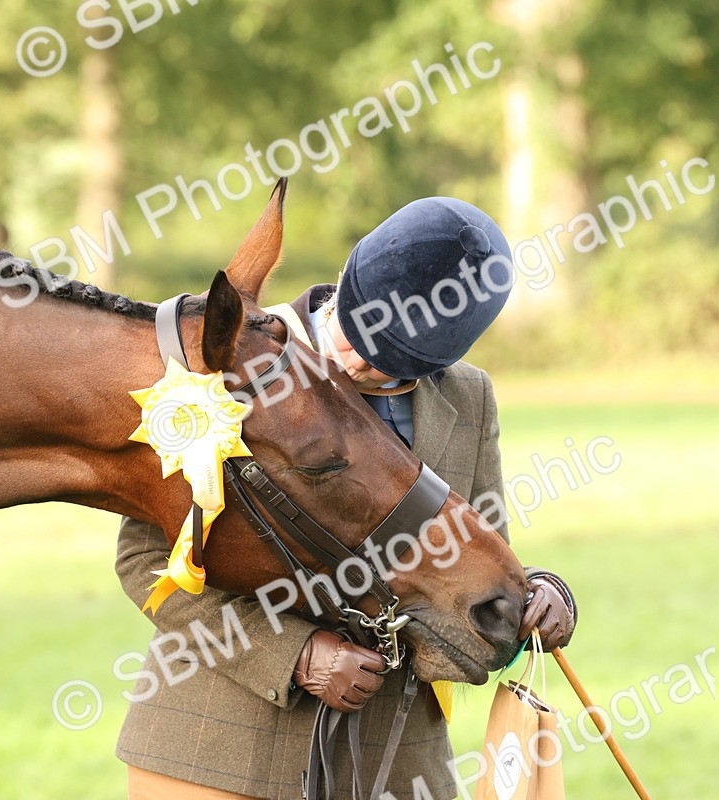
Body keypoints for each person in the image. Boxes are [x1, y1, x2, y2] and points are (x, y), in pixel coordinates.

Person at [115, 197, 577, 800]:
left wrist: (539, 595)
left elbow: (478, 547)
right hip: (220, 751)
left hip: (402, 759)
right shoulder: (223, 366)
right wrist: (294, 655)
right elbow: (146, 561)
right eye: (357, 336)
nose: (361, 364)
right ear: (346, 285)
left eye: (396, 369)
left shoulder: (471, 398)